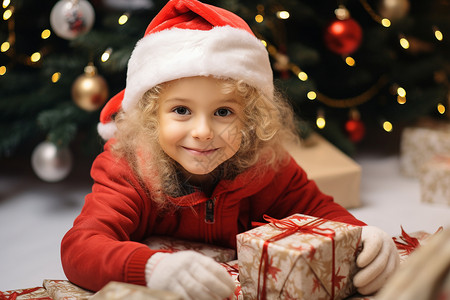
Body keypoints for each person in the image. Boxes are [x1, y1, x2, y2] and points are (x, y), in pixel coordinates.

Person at [61, 0, 399, 299]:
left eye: (224, 112)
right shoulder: (129, 168)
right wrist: (151, 269)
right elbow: (81, 248)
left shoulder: (268, 166)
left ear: (251, 119)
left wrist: (362, 236)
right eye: (181, 110)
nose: (203, 132)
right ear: (150, 118)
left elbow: (320, 212)